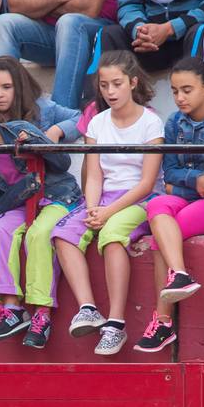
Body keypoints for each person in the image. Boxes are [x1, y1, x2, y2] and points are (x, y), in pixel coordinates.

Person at [53, 51, 163, 356]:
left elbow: (146, 183)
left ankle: (116, 324)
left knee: (112, 235)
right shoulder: (98, 123)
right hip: (102, 199)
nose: (110, 92)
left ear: (133, 83)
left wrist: (107, 212)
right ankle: (88, 308)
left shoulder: (151, 124)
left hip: (139, 199)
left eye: (117, 84)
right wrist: (91, 208)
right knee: (63, 234)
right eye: (104, 86)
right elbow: (94, 175)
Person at [0, 91, 81, 349]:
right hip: (19, 204)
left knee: (39, 234)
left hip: (57, 195)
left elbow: (63, 162)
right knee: (0, 228)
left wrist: (37, 143)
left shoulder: (20, 131)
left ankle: (42, 313)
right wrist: (26, 187)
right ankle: (12, 307)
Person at [138, 57, 204, 351]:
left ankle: (162, 321)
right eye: (174, 91)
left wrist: (187, 182)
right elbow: (169, 172)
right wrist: (197, 178)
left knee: (171, 229)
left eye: (187, 90)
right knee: (156, 208)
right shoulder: (174, 123)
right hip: (189, 196)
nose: (179, 98)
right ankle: (179, 274)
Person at [0, 57, 79, 145]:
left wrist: (56, 130)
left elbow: (82, 119)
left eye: (7, 87)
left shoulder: (43, 107)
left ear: (19, 86)